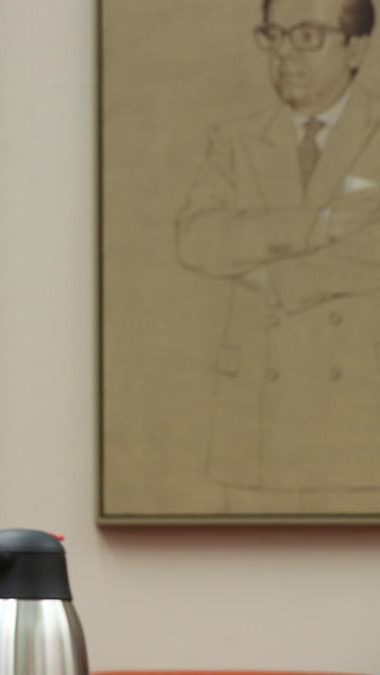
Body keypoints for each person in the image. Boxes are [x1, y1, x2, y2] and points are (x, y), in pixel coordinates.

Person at [176, 0, 380, 509]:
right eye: (275, 35)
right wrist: (321, 224)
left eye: (307, 36)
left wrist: (275, 279)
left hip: (360, 414)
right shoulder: (236, 140)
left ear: (356, 47)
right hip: (255, 419)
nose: (285, 54)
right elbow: (198, 239)